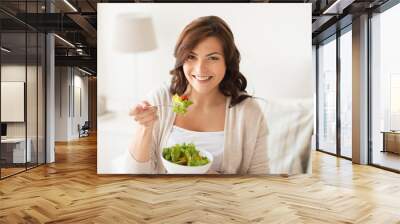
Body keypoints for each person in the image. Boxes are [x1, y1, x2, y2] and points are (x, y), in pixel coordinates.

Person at [128, 15, 268, 174]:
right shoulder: (160, 98)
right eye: (191, 57)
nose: (200, 69)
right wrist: (145, 128)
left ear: (227, 62)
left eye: (213, 58)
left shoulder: (248, 111)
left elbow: (260, 182)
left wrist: (215, 182)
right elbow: (133, 175)